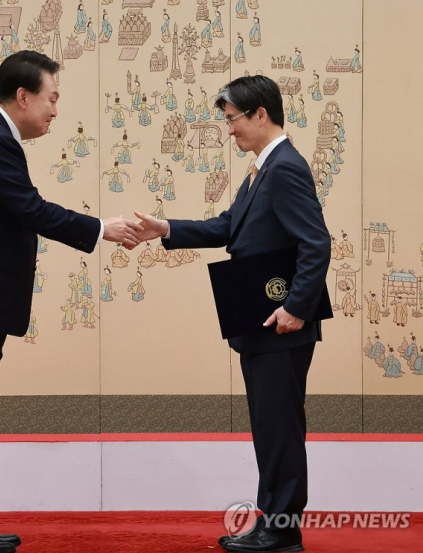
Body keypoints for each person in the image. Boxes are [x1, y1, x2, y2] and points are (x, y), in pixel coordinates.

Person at [0, 50, 141, 553]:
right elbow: (31, 210)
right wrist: (103, 228)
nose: (56, 110)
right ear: (23, 96)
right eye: (51, 98)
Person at [135, 75, 330, 553]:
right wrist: (166, 227)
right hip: (260, 324)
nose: (229, 130)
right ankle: (274, 523)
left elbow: (316, 242)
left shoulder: (283, 167)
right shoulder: (262, 168)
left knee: (279, 429)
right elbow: (229, 227)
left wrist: (295, 309)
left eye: (233, 119)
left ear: (261, 114)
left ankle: (281, 531)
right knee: (270, 426)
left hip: (280, 326)